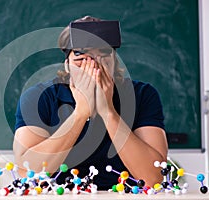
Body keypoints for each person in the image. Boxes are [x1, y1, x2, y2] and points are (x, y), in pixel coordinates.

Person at [12, 16, 168, 190]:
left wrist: (108, 112)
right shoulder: (39, 97)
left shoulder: (142, 95)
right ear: (67, 65)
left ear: (114, 62)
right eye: (81, 59)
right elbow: (27, 173)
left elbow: (153, 178)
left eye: (103, 56)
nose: (93, 67)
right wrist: (80, 114)